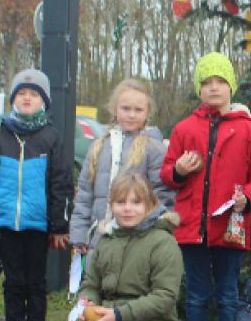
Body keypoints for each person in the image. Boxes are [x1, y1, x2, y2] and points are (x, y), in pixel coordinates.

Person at [161, 52, 251, 321]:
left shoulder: (250, 130)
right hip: (192, 227)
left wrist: (247, 198)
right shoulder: (183, 128)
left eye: (220, 81)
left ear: (231, 86)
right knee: (195, 295)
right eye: (206, 82)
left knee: (226, 295)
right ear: (198, 89)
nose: (213, 88)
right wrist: (179, 170)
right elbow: (166, 173)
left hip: (230, 229)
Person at [0, 68, 73, 321]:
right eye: (21, 94)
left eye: (33, 94)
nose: (27, 98)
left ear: (43, 102)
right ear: (13, 99)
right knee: (13, 282)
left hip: (38, 225)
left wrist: (59, 225)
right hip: (7, 223)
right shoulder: (1, 136)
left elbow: (61, 184)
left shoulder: (50, 138)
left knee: (35, 282)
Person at [64, 174, 183, 321]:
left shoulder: (163, 242)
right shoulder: (106, 240)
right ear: (111, 205)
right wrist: (87, 303)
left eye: (136, 202)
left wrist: (116, 316)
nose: (128, 209)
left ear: (149, 205)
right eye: (121, 202)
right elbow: (91, 284)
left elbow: (165, 297)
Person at [70, 78, 174, 253]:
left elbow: (162, 197)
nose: (131, 115)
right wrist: (80, 234)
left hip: (138, 243)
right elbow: (84, 195)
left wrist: (151, 234)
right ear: (115, 109)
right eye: (125, 108)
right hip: (99, 241)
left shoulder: (154, 149)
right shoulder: (98, 147)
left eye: (138, 110)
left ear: (147, 113)